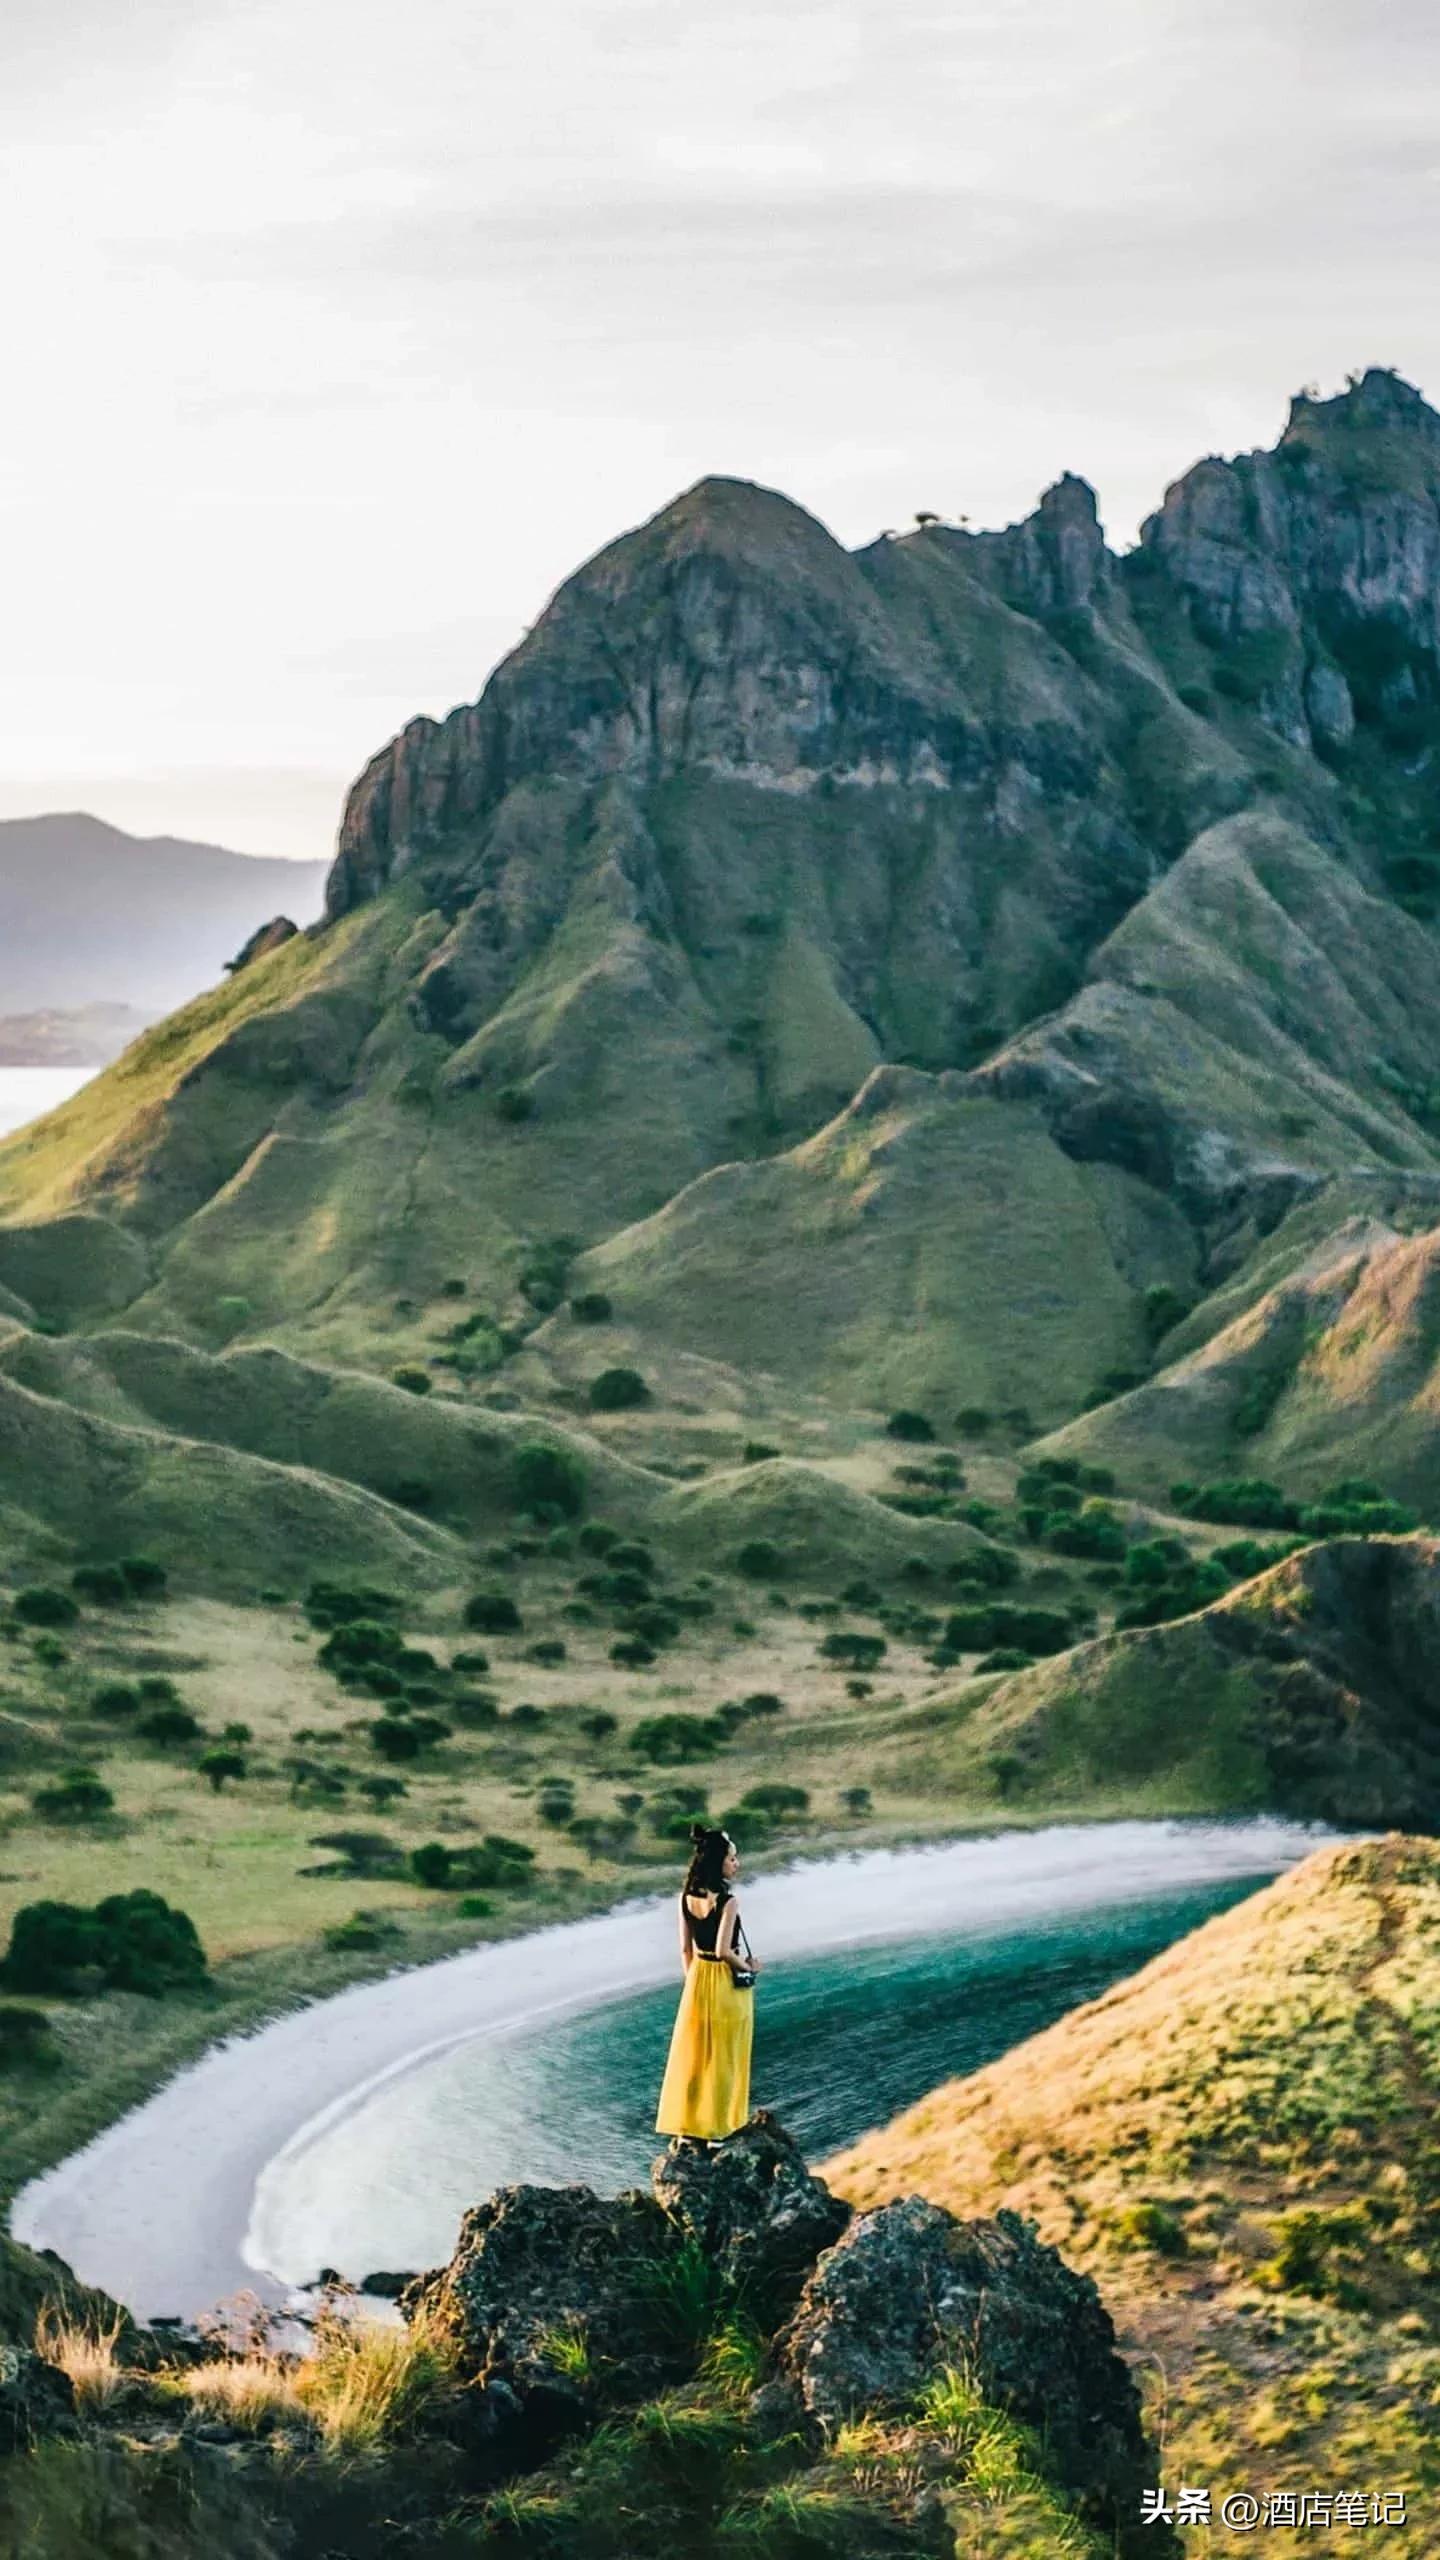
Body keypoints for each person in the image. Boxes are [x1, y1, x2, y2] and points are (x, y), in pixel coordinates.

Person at [655, 1824, 760, 2144]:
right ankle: (719, 2128)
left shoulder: (685, 1898)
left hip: (698, 1979)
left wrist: (694, 1986)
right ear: (718, 1862)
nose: (736, 1863)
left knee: (695, 2058)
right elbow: (724, 1951)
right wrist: (749, 1967)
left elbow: (685, 1950)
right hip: (724, 1983)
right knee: (725, 2058)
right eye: (732, 1858)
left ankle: (688, 2128)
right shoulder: (728, 1901)